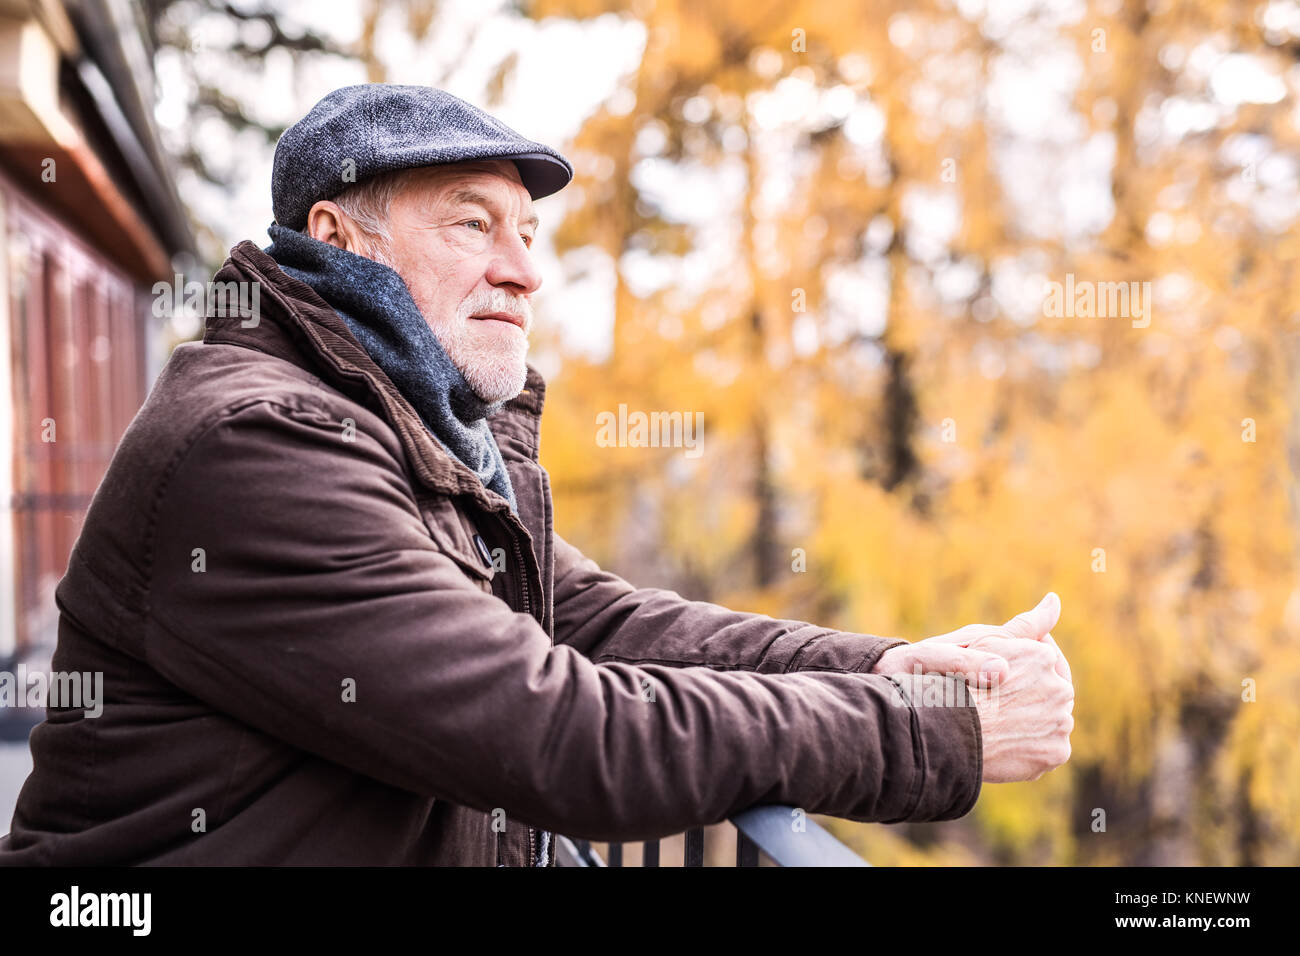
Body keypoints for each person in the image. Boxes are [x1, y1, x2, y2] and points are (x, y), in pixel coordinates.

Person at [0, 85, 1073, 866]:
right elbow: (559, 732)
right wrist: (935, 734)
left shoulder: (417, 430)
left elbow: (589, 616)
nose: (522, 267)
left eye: (526, 231)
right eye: (472, 222)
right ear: (335, 238)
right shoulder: (259, 444)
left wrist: (892, 666)